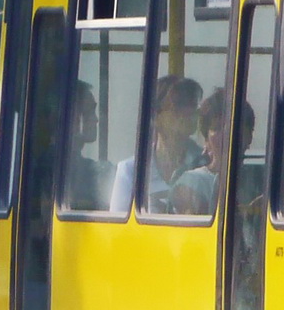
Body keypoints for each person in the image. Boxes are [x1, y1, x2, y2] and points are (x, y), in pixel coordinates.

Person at [109, 75, 204, 213]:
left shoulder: (205, 164)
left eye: (192, 104)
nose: (187, 111)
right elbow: (118, 231)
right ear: (155, 117)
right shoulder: (130, 171)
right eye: (178, 105)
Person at [170, 88, 230, 215]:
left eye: (234, 126)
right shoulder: (193, 181)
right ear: (206, 141)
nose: (227, 134)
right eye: (217, 127)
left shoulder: (264, 178)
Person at [63, 80, 116, 210]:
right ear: (71, 117)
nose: (96, 119)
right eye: (89, 112)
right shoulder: (51, 168)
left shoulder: (90, 168)